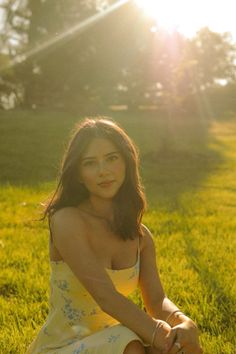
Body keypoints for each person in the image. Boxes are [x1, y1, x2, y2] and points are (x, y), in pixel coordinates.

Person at [26, 117, 202, 354]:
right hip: (63, 346)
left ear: (126, 163)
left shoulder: (140, 236)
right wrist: (159, 334)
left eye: (111, 158)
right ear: (78, 173)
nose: (103, 171)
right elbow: (105, 296)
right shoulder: (66, 220)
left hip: (120, 342)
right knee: (130, 342)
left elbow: (157, 301)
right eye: (90, 163)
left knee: (182, 344)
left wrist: (183, 322)